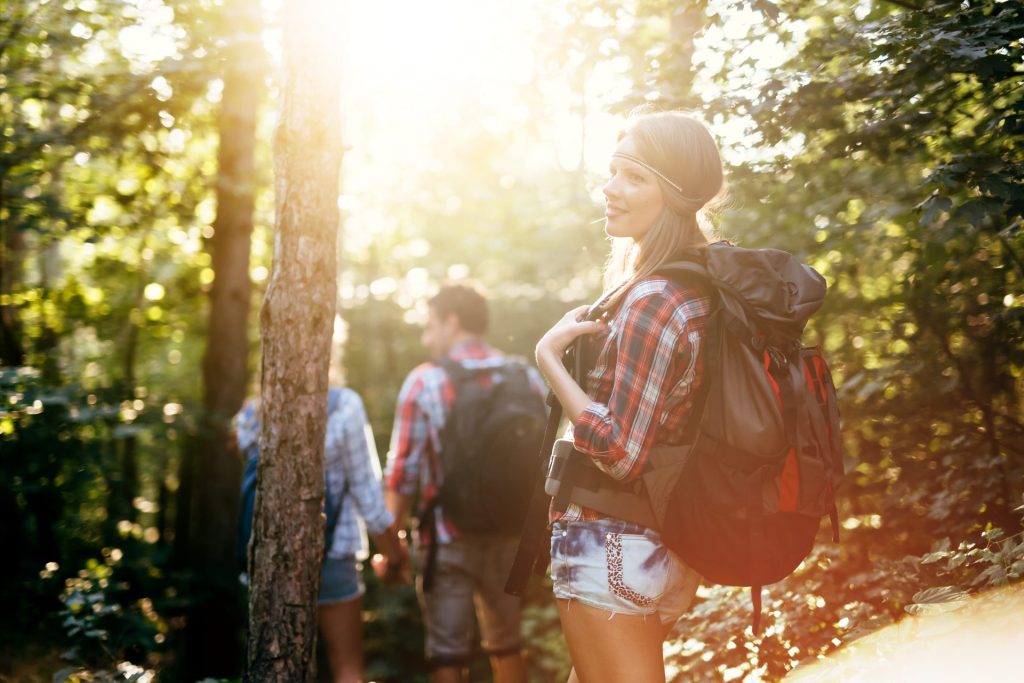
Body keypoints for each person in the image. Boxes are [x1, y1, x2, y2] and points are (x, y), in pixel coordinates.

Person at [534, 110, 725, 683]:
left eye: (633, 177)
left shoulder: (655, 297)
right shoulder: (698, 284)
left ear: (673, 194)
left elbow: (621, 450)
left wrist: (547, 359)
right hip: (650, 543)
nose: (610, 189)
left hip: (608, 542)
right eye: (613, 172)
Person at [384, 284, 544, 683]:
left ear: (451, 322)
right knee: (507, 645)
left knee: (447, 655)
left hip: (446, 537)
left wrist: (391, 543)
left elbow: (403, 473)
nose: (426, 338)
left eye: (429, 326)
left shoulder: (426, 381)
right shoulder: (523, 374)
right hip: (509, 533)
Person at [235, 375, 409, 683]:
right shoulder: (343, 406)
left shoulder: (253, 413)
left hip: (267, 563)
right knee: (348, 669)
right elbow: (369, 499)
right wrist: (394, 556)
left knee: (276, 668)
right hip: (331, 556)